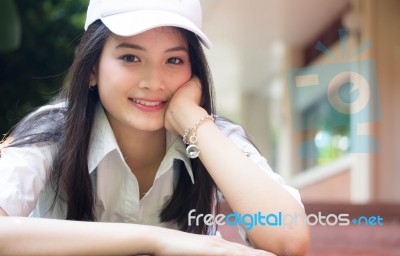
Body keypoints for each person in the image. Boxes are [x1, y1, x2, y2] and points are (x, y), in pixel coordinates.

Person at [0, 0, 310, 255]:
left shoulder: (213, 135)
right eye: (131, 57)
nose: (154, 82)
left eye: (173, 60)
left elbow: (288, 240)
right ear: (92, 68)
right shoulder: (52, 130)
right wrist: (157, 240)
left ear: (194, 70)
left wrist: (192, 121)